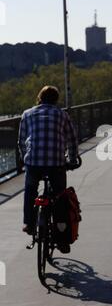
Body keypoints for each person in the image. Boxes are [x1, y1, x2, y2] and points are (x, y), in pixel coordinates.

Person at [18, 86, 79, 253]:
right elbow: (72, 140)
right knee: (60, 198)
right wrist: (72, 160)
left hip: (33, 163)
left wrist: (26, 159)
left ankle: (28, 224)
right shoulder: (62, 115)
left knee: (30, 190)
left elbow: (21, 141)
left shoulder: (27, 114)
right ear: (56, 100)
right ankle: (61, 239)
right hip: (56, 163)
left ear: (40, 98)